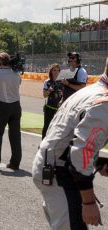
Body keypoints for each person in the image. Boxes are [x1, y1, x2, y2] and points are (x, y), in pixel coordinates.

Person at [32, 58, 108, 230]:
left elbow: (68, 137)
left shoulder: (91, 90)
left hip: (53, 164)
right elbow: (80, 153)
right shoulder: (104, 103)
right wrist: (88, 202)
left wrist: (95, 161)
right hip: (59, 171)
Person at [0, 52, 22, 171]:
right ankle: (15, 163)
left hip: (2, 105)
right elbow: (19, 84)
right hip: (16, 106)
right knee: (15, 135)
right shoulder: (16, 73)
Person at [42, 64, 62, 139]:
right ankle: (43, 144)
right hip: (50, 108)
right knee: (47, 127)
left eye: (58, 70)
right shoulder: (47, 82)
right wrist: (49, 90)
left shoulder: (62, 82)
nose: (56, 72)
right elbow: (44, 95)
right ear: (51, 71)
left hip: (60, 109)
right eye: (54, 70)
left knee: (58, 129)